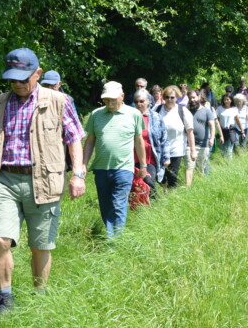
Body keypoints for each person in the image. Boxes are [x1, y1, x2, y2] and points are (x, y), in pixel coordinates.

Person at [0, 48, 86, 313]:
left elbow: (74, 139)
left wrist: (78, 175)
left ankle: (40, 298)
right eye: (13, 79)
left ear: (38, 74)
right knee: (0, 240)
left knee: (40, 245)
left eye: (23, 79)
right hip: (5, 180)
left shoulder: (59, 101)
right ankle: (5, 297)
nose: (18, 85)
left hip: (45, 181)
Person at [83, 81, 147, 237]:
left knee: (118, 204)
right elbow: (90, 141)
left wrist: (143, 165)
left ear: (122, 96)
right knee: (105, 206)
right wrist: (83, 164)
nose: (109, 103)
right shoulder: (96, 114)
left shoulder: (134, 114)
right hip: (101, 168)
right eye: (106, 100)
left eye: (113, 99)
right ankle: (111, 232)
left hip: (124, 168)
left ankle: (115, 241)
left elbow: (139, 141)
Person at [155, 85, 195, 188]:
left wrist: (192, 151)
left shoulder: (183, 111)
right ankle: (165, 190)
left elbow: (190, 131)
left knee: (172, 176)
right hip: (159, 149)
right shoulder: (157, 109)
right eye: (167, 97)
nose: (169, 100)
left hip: (176, 149)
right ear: (163, 97)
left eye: (172, 97)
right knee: (159, 176)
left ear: (177, 98)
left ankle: (171, 197)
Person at [133, 89, 169, 197]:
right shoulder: (130, 117)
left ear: (148, 102)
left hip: (150, 158)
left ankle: (156, 204)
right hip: (132, 157)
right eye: (136, 102)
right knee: (136, 185)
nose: (138, 104)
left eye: (141, 101)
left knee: (149, 182)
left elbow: (164, 139)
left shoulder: (156, 117)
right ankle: (138, 207)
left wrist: (166, 157)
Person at [187, 89, 217, 185]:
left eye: (194, 97)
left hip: (203, 145)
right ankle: (189, 187)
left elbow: (212, 126)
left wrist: (212, 138)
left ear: (199, 97)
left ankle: (202, 185)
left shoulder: (207, 111)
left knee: (202, 168)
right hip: (189, 145)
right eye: (190, 98)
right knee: (189, 167)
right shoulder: (187, 111)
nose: (192, 100)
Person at [217, 94, 245, 160]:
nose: (226, 101)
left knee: (229, 150)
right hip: (222, 131)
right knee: (223, 150)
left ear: (231, 100)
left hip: (231, 131)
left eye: (228, 99)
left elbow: (238, 121)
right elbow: (217, 121)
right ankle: (223, 164)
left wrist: (242, 131)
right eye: (225, 100)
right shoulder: (219, 109)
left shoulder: (234, 109)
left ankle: (229, 164)